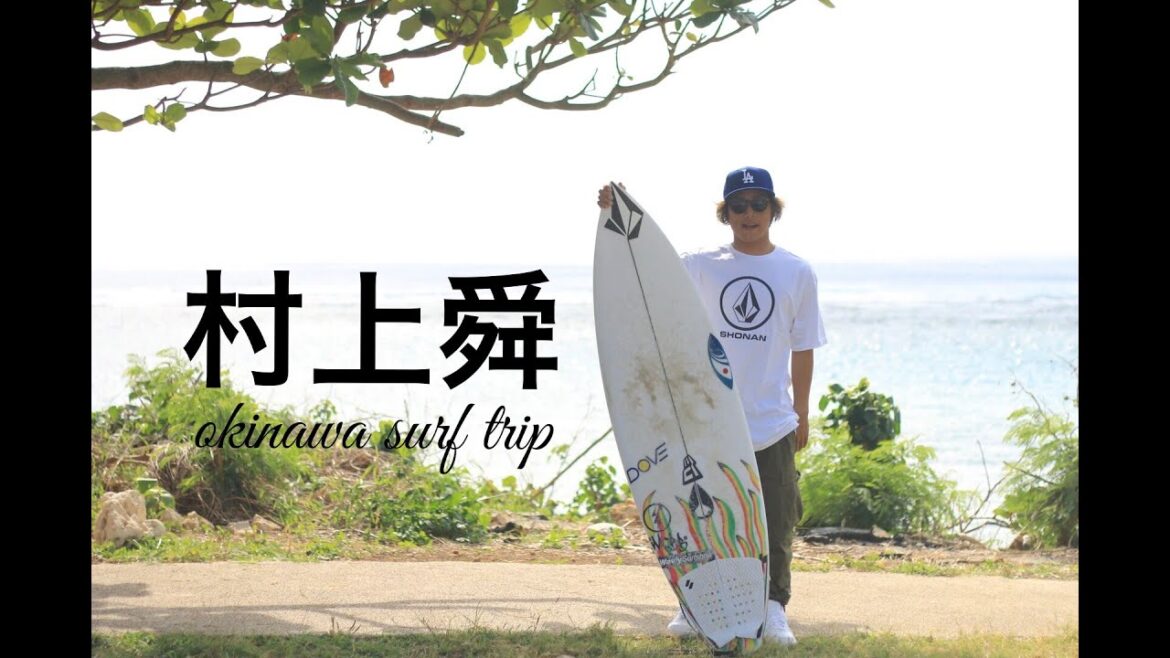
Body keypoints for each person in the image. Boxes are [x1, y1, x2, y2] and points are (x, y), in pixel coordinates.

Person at [596, 167, 827, 646]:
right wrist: (618, 211)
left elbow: (803, 347)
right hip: (704, 419)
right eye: (738, 206)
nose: (749, 214)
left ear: (773, 210)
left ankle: (773, 606)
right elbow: (648, 282)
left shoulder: (797, 272)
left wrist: (801, 413)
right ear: (726, 213)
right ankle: (695, 603)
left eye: (758, 204)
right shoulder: (700, 265)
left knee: (777, 517)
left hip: (770, 420)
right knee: (700, 512)